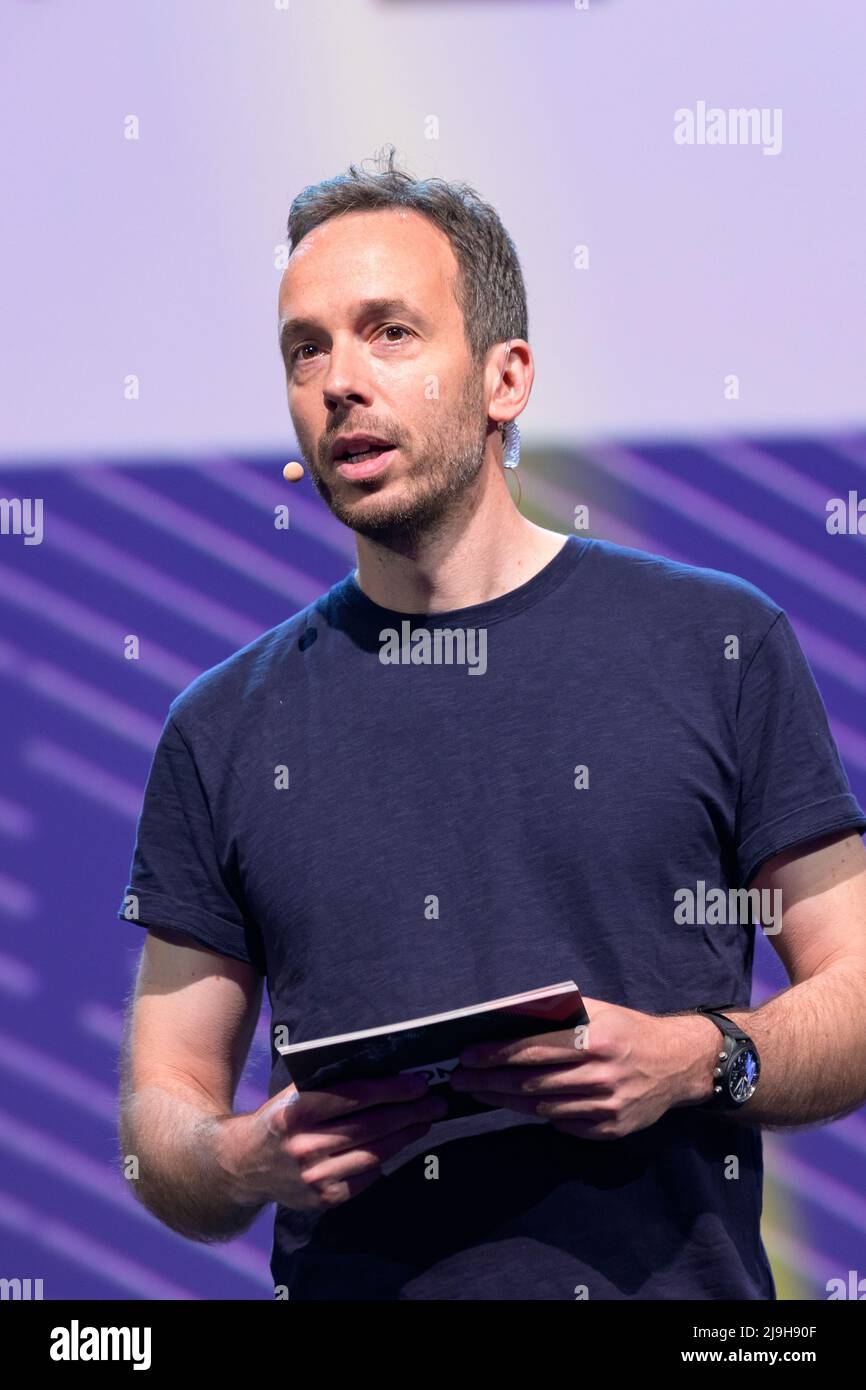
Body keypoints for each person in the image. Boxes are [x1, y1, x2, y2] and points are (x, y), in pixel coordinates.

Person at [118, 148, 866, 1300]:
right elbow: (161, 1116)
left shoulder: (715, 643)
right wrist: (240, 1154)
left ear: (503, 377)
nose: (337, 381)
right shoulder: (221, 728)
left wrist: (694, 1058)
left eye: (389, 332)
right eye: (304, 348)